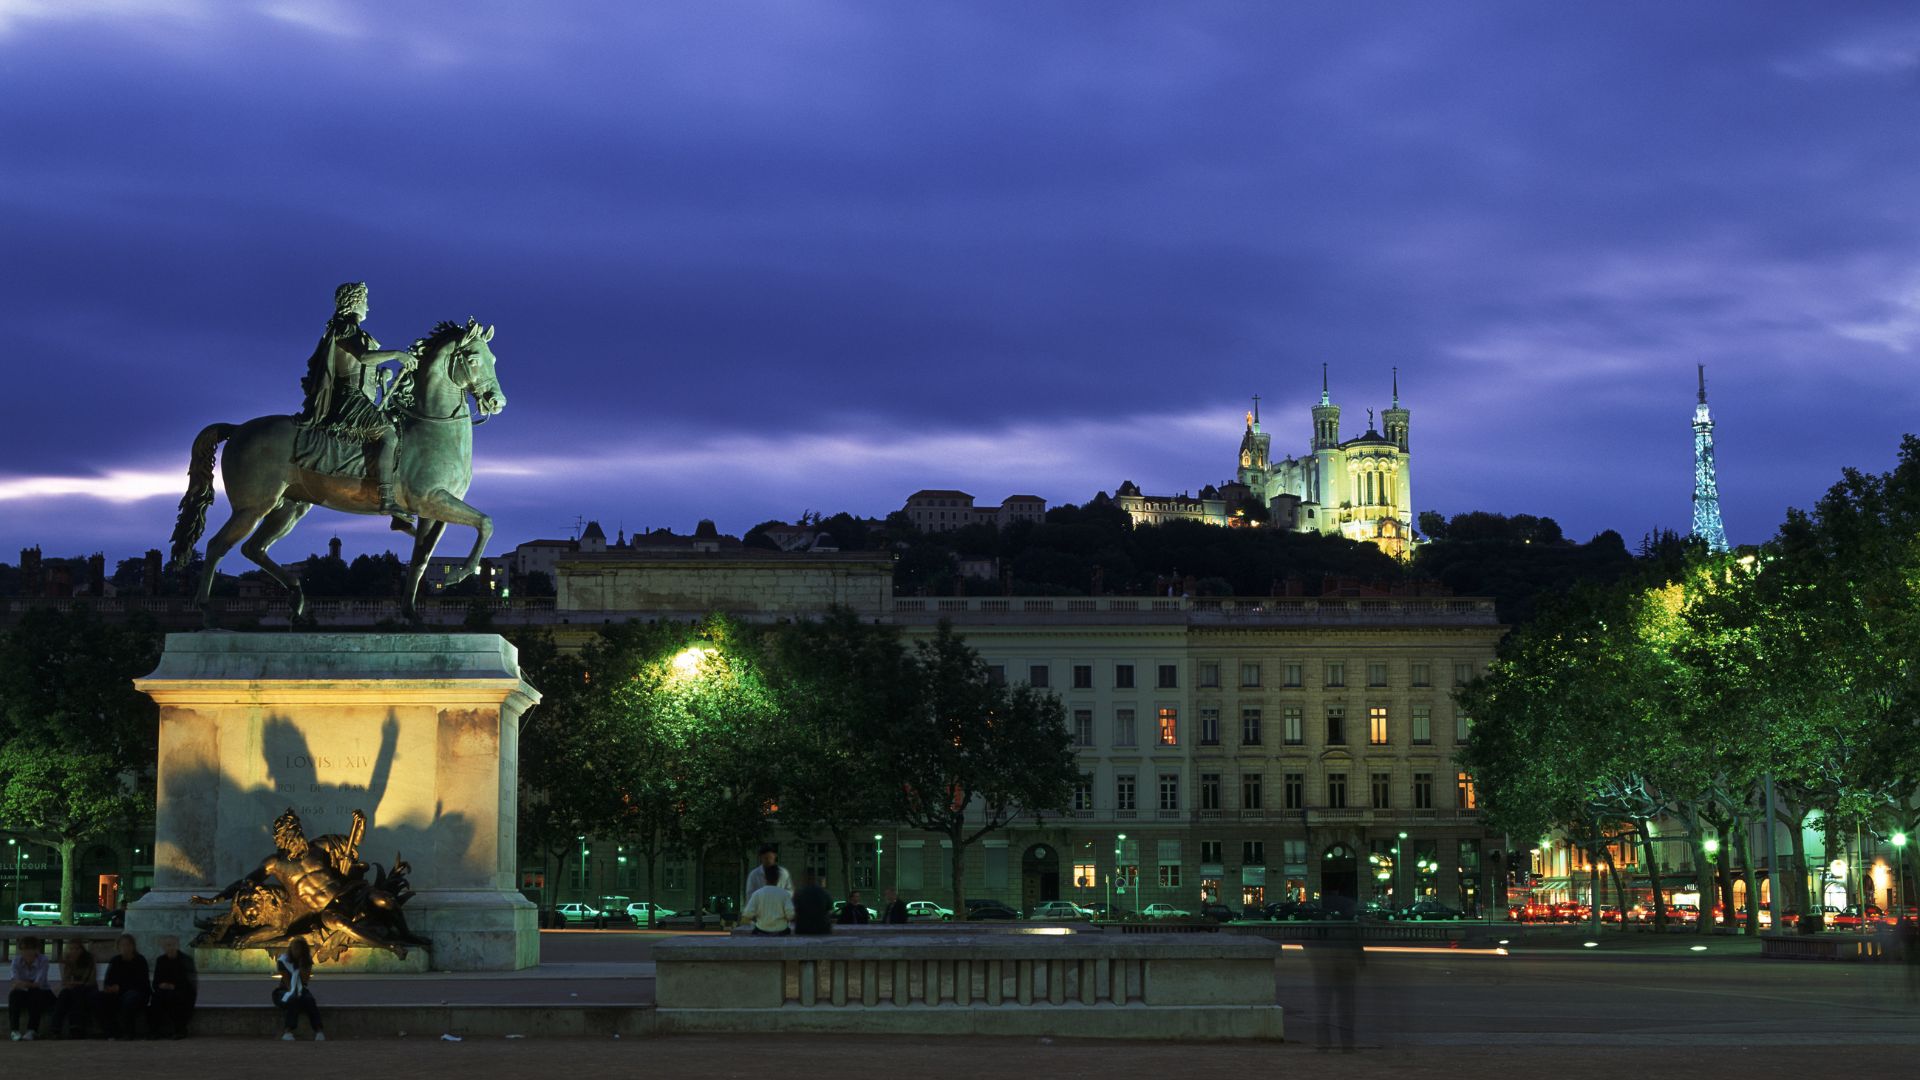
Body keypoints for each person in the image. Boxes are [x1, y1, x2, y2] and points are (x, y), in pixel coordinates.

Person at [296, 281, 419, 514]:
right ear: (355, 302)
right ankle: (386, 498)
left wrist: (380, 377)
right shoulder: (345, 327)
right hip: (348, 399)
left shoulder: (353, 330)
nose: (368, 308)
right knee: (389, 435)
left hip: (359, 397)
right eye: (365, 302)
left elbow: (360, 366)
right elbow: (362, 357)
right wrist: (396, 355)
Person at [97, 933, 150, 1040]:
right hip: (118, 993)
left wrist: (120, 987)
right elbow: (108, 979)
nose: (125, 948)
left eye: (128, 945)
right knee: (100, 999)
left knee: (130, 999)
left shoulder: (140, 960)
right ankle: (112, 1031)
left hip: (138, 993)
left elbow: (141, 983)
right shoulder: (115, 961)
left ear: (133, 946)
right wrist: (109, 988)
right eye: (122, 945)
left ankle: (129, 1032)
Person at [274, 937, 325, 1041]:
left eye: (299, 949)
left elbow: (305, 981)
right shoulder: (283, 961)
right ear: (291, 949)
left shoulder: (307, 962)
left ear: (303, 950)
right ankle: (287, 1031)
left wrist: (301, 966)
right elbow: (289, 984)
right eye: (294, 948)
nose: (296, 951)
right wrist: (297, 994)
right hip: (284, 991)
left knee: (310, 1000)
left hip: (301, 989)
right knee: (293, 1000)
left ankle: (319, 1031)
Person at [148, 935, 197, 1040]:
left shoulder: (186, 960)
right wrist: (162, 985)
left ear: (177, 946)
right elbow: (156, 982)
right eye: (167, 945)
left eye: (172, 945)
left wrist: (173, 986)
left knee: (176, 998)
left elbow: (189, 983)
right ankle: (155, 1031)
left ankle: (179, 1029)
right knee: (156, 999)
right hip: (164, 992)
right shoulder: (161, 960)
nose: (169, 948)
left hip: (183, 992)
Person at [7, 935, 54, 1041]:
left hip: (43, 992)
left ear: (36, 950)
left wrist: (22, 983)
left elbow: (39, 983)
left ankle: (32, 1030)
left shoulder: (43, 960)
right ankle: (14, 1030)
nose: (27, 952)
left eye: (30, 949)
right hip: (24, 992)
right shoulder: (16, 961)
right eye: (24, 949)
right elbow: (15, 981)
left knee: (36, 994)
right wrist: (25, 984)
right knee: (14, 995)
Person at [50, 941, 97, 1040]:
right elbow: (65, 980)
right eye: (71, 949)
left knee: (77, 993)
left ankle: (76, 1027)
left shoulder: (89, 960)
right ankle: (55, 1028)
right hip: (72, 988)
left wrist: (74, 984)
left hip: (87, 988)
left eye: (77, 949)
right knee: (64, 994)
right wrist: (69, 965)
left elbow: (89, 980)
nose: (74, 951)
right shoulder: (67, 961)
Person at [741, 865, 797, 936]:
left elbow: (748, 914)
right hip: (781, 931)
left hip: (761, 930)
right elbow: (790, 915)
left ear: (765, 878)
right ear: (778, 879)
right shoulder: (785, 894)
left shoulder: (757, 894)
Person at [792, 870, 835, 935]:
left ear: (804, 879)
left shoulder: (799, 893)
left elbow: (794, 910)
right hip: (822, 928)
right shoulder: (824, 892)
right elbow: (830, 909)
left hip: (803, 928)